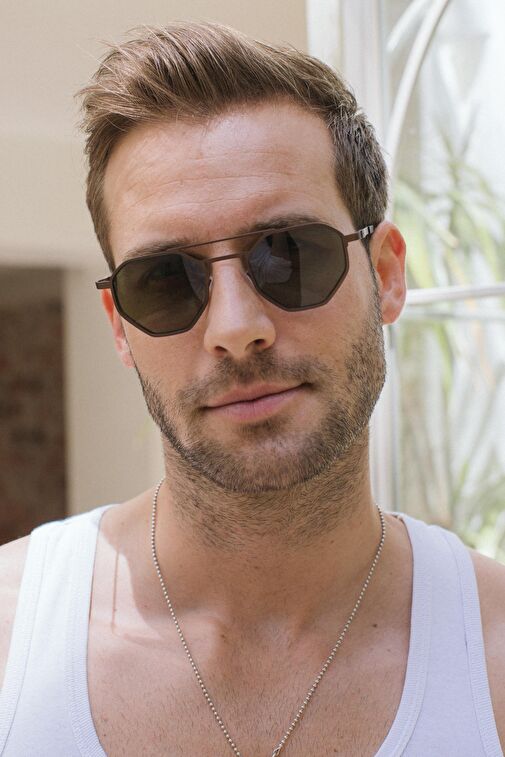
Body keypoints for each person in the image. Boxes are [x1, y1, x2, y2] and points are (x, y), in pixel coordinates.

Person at [0, 21, 504, 757]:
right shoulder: (10, 637)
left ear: (386, 275)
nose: (236, 329)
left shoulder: (492, 655)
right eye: (165, 280)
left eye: (287, 254)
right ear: (120, 326)